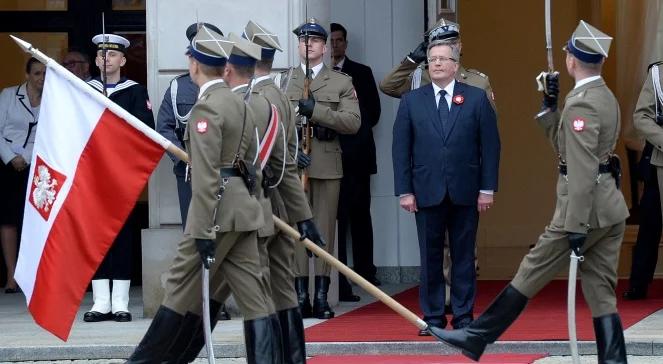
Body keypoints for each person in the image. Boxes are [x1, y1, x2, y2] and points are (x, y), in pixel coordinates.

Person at [434, 21, 629, 364]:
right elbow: (566, 148)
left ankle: (477, 337)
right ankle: (614, 361)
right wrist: (551, 110)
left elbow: (581, 170)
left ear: (572, 60)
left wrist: (575, 226)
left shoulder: (583, 104)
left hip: (585, 209)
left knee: (531, 269)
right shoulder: (600, 95)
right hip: (609, 208)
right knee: (601, 292)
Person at [125, 27, 279, 363]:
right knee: (256, 299)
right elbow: (253, 164)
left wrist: (201, 229)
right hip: (243, 210)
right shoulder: (240, 103)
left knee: (179, 290)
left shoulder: (205, 109)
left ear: (194, 65)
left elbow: (207, 177)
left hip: (217, 212)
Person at [382, 19, 495, 313]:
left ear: (457, 55)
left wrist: (487, 186)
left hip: (464, 184)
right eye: (432, 56)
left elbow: (488, 141)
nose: (437, 62)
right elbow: (389, 88)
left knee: (463, 255)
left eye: (444, 55)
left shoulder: (477, 86)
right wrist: (413, 58)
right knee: (432, 255)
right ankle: (433, 314)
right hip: (428, 185)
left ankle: (462, 313)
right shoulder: (416, 88)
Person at [155, 22, 232, 322]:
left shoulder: (228, 86)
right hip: (188, 174)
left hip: (224, 176)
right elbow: (164, 128)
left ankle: (216, 301)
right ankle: (194, 302)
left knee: (221, 235)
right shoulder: (178, 87)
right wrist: (183, 159)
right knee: (194, 236)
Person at [285, 18, 361, 319]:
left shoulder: (342, 82)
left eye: (315, 40)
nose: (308, 44)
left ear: (324, 46)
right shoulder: (285, 80)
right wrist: (292, 150)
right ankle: (300, 295)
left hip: (327, 163)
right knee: (296, 231)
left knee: (325, 230)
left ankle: (321, 296)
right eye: (303, 40)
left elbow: (353, 123)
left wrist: (316, 110)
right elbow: (272, 123)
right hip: (293, 165)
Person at [83, 33, 154, 323]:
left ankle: (120, 302)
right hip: (90, 175)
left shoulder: (135, 91)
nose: (106, 59)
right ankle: (100, 301)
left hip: (121, 175)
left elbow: (145, 131)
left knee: (121, 237)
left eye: (112, 55)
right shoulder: (84, 89)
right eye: (101, 55)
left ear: (122, 60)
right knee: (95, 238)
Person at [330, 22, 382, 302]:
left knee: (360, 215)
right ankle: (339, 277)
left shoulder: (361, 73)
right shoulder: (319, 76)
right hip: (330, 156)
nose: (335, 46)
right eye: (331, 41)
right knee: (335, 218)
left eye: (339, 41)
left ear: (345, 44)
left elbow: (373, 113)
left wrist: (347, 127)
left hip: (358, 156)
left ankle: (365, 271)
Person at [0, 57, 45, 294]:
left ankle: (31, 275)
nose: (41, 78)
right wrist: (10, 157)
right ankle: (11, 275)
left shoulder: (52, 100)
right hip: (6, 163)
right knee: (8, 219)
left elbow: (49, 132)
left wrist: (26, 157)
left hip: (34, 164)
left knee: (33, 220)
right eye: (37, 73)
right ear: (27, 75)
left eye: (45, 74)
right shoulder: (8, 95)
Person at [379, 18, 495, 110]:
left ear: (460, 47)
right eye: (439, 46)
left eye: (452, 45)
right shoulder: (419, 79)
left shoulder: (478, 83)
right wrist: (412, 60)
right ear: (429, 51)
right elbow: (388, 86)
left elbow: (488, 125)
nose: (447, 51)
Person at [630, 61, 663, 300]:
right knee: (650, 226)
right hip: (660, 163)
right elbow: (641, 116)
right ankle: (639, 284)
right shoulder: (658, 74)